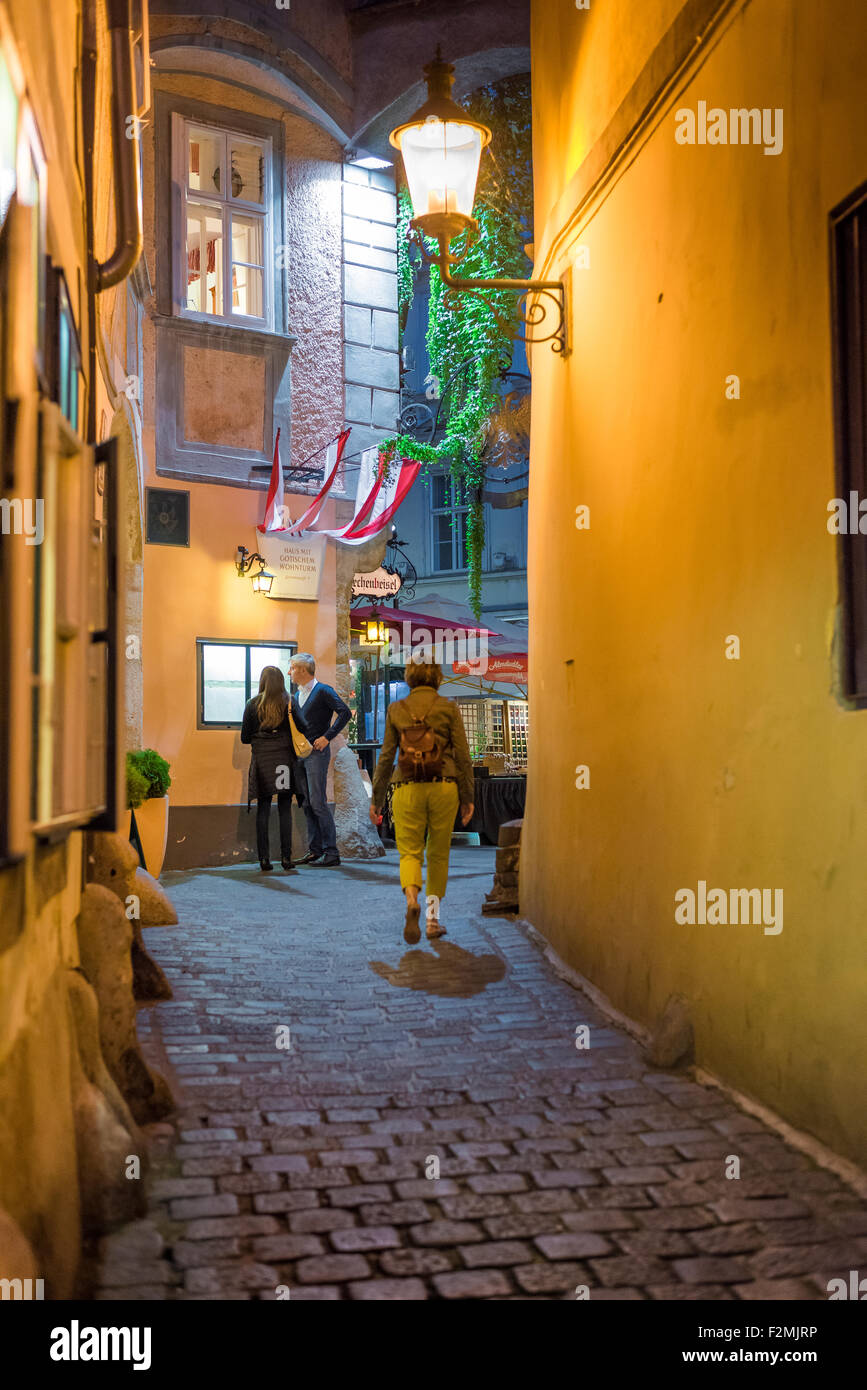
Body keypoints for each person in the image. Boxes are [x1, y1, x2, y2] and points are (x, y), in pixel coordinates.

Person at [369, 660, 474, 943]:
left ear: (410, 678)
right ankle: (432, 919)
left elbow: (386, 757)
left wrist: (377, 799)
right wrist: (468, 796)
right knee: (438, 854)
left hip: (406, 787)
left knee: (410, 853)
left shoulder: (396, 710)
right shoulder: (448, 708)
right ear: (437, 678)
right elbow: (463, 756)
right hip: (444, 787)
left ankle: (411, 900)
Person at [289, 653, 351, 868]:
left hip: (316, 753)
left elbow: (344, 713)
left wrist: (327, 737)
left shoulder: (323, 690)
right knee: (307, 802)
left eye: (292, 668)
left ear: (302, 670)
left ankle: (331, 852)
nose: (289, 673)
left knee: (317, 802)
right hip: (300, 754)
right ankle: (315, 850)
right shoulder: (296, 695)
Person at [240, 665, 299, 873]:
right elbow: (301, 728)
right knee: (284, 807)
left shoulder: (252, 704)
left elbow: (244, 738)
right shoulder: (289, 701)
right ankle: (286, 858)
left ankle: (264, 860)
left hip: (263, 761)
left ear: (263, 681)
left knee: (263, 808)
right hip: (283, 759)